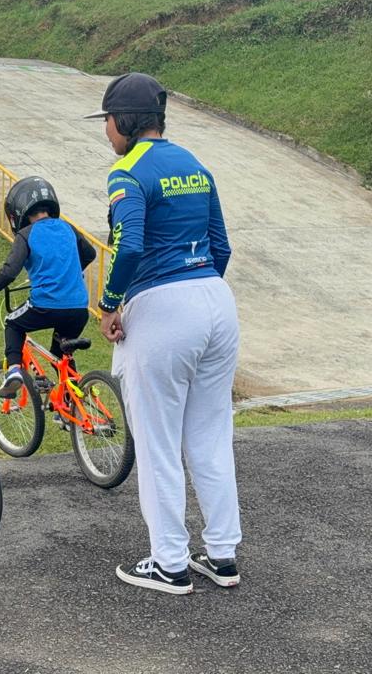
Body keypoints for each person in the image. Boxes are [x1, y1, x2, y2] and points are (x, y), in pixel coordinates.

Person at [85, 73, 241, 595]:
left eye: (107, 121)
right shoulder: (195, 164)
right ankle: (221, 555)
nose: (106, 131)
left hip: (162, 304)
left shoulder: (126, 172)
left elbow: (128, 245)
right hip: (216, 302)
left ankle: (169, 562)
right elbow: (221, 245)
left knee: (156, 441)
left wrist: (109, 304)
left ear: (124, 122)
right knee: (210, 436)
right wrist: (198, 292)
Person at [0, 176, 96, 398]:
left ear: (17, 212)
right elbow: (90, 253)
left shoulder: (26, 234)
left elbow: (10, 271)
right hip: (79, 309)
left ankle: (13, 372)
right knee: (60, 354)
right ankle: (71, 407)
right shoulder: (67, 227)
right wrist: (69, 272)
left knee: (12, 323)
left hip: (46, 305)